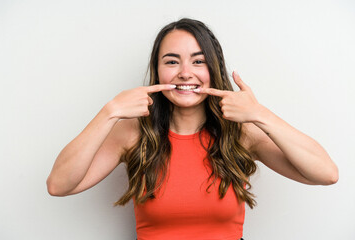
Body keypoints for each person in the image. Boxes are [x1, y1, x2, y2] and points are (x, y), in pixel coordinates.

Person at [47, 18, 338, 240]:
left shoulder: (241, 133)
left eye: (198, 61)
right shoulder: (134, 133)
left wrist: (260, 115)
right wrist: (110, 111)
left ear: (214, 68)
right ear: (157, 70)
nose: (185, 72)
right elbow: (58, 185)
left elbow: (326, 174)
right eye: (172, 61)